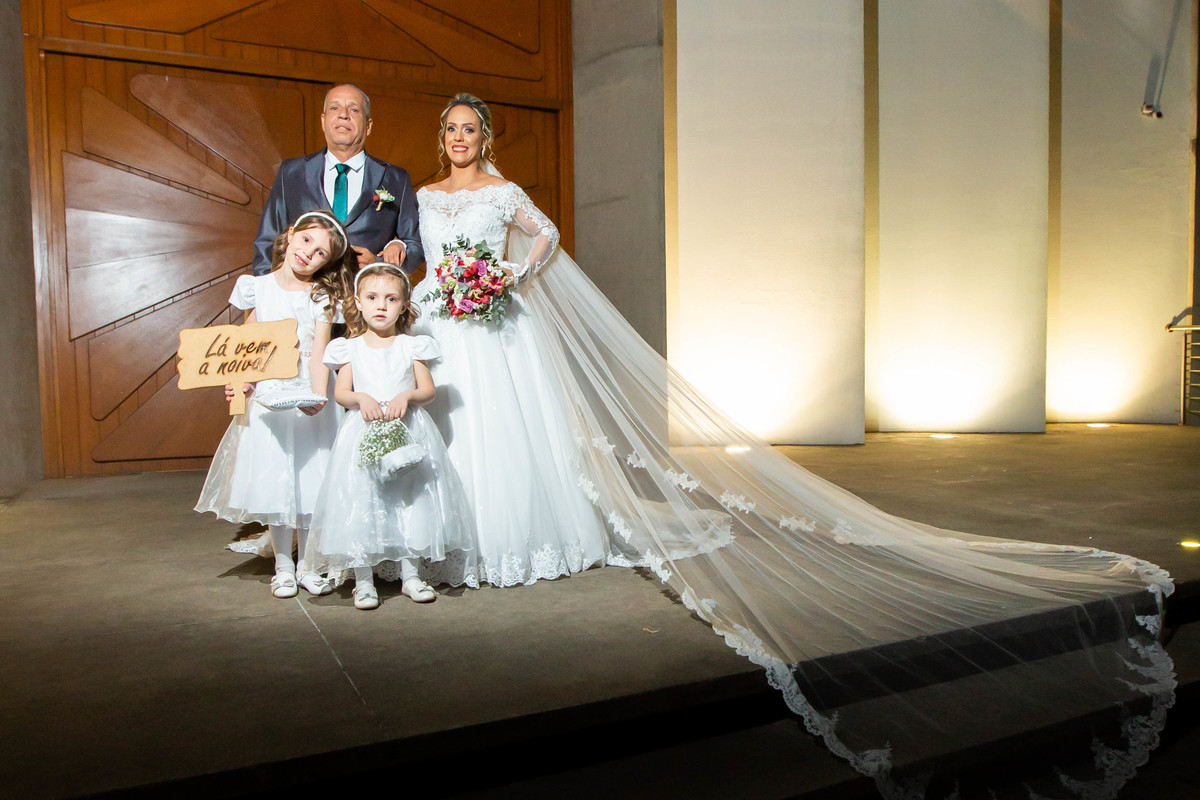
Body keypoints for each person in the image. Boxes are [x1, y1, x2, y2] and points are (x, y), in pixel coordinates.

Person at [413, 93, 1175, 798]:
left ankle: (517, 534)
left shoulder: (504, 193)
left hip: (499, 326)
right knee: (455, 429)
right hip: (447, 322)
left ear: (486, 136)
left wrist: (507, 275)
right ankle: (447, 533)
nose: (458, 139)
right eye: (450, 130)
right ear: (442, 139)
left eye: (469, 128)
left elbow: (545, 236)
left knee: (511, 431)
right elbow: (425, 259)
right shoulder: (424, 195)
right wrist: (438, 289)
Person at [196, 210, 355, 599]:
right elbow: (246, 346)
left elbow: (319, 352)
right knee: (277, 479)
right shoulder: (257, 288)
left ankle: (309, 565)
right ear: (291, 235)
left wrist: (317, 395)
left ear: (326, 264)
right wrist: (241, 383)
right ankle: (283, 566)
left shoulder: (321, 296)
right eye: (306, 241)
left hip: (307, 389)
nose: (308, 254)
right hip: (269, 391)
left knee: (312, 478)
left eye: (320, 253)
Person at [306, 263, 476, 610]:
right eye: (372, 298)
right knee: (365, 500)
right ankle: (363, 582)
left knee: (409, 499)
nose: (381, 305)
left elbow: (427, 389)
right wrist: (360, 398)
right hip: (364, 431)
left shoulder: (411, 347)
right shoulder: (349, 349)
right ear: (358, 302)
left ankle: (410, 575)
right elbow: (341, 393)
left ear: (403, 305)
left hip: (407, 430)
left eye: (391, 299)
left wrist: (407, 396)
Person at [252, 84, 422, 275]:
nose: (343, 115)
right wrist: (267, 288)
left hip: (364, 292)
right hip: (302, 290)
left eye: (354, 110)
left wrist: (377, 264)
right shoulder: (291, 172)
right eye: (335, 107)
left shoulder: (396, 179)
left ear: (368, 126)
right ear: (323, 121)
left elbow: (415, 245)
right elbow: (267, 241)